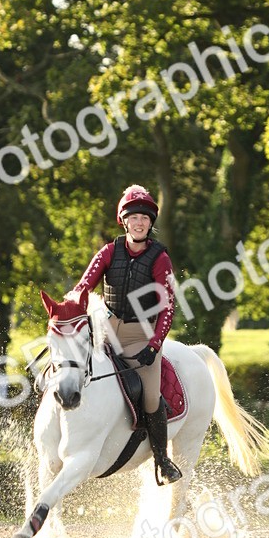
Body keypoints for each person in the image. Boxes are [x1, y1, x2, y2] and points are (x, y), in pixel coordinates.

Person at [73, 186, 182, 485]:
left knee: (149, 397)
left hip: (141, 335)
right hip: (106, 332)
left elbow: (168, 307)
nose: (139, 223)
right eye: (133, 217)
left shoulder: (160, 258)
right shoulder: (108, 252)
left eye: (144, 219)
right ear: (124, 221)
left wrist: (155, 345)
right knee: (72, 369)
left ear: (150, 223)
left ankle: (162, 460)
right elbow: (83, 287)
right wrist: (67, 310)